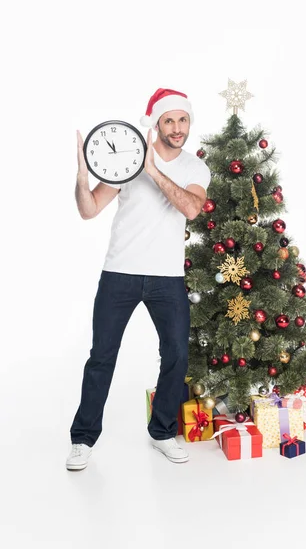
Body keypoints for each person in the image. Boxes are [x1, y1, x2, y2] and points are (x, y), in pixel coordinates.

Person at [66, 88, 211, 469]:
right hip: (120, 273)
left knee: (177, 354)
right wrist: (83, 180)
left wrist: (152, 170)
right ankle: (82, 439)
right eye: (169, 121)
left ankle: (162, 431)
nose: (177, 128)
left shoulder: (195, 168)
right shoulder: (126, 160)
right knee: (101, 357)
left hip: (167, 278)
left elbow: (192, 208)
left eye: (183, 120)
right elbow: (89, 209)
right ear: (156, 124)